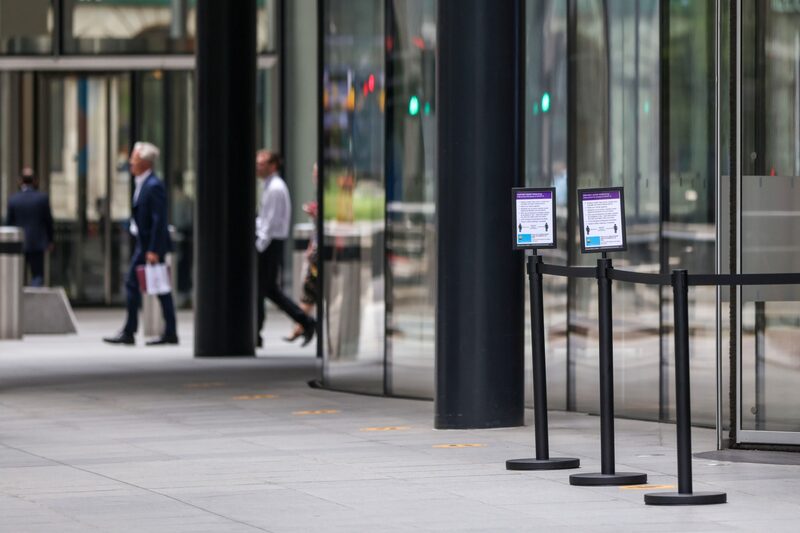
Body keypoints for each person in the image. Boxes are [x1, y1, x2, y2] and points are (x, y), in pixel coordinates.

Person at [104, 142, 178, 346]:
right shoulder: (141, 183)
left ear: (145, 163)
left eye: (134, 159)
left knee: (156, 287)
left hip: (150, 246)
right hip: (143, 244)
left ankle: (139, 331)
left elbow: (158, 220)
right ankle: (135, 330)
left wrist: (153, 249)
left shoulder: (153, 186)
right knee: (154, 287)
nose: (130, 162)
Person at [255, 150, 316, 348]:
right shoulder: (270, 186)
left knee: (262, 289)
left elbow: (270, 222)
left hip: (270, 244)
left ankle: (256, 332)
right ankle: (305, 322)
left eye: (262, 163)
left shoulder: (275, 188)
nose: (258, 167)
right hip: (270, 243)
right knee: (268, 290)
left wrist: (259, 246)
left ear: (273, 165)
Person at [285, 163, 318, 343]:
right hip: (315, 250)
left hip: (319, 254)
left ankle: (301, 326)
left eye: (316, 173)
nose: (314, 176)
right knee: (308, 291)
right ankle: (301, 326)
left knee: (309, 289)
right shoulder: (320, 194)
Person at [6, 168, 54, 287]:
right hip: (37, 243)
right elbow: (49, 221)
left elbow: (8, 224)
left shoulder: (13, 199)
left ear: (20, 181)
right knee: (37, 276)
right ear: (35, 181)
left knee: (18, 276)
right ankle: (35, 302)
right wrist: (50, 240)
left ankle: (18, 301)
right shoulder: (42, 198)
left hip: (18, 244)